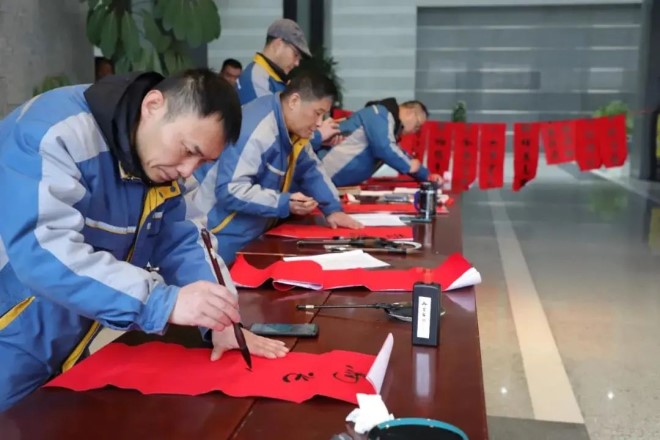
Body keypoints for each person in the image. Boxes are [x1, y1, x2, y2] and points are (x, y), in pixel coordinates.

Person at [0, 69, 288, 412]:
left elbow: (184, 239)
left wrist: (220, 321)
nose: (188, 170)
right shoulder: (54, 132)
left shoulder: (158, 161)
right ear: (153, 105)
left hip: (70, 334)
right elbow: (43, 253)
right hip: (10, 333)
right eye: (188, 150)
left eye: (202, 161)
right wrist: (161, 302)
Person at [185, 72, 362, 266]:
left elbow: (311, 169)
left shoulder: (292, 129)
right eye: (317, 113)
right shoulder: (257, 130)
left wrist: (333, 209)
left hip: (250, 236)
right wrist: (284, 202)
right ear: (294, 101)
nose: (319, 123)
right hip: (217, 235)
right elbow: (231, 190)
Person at [316, 98, 443, 187]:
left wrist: (427, 176)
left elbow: (397, 152)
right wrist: (409, 165)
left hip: (328, 183)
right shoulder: (379, 113)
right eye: (417, 125)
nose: (415, 131)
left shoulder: (388, 128)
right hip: (318, 174)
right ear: (410, 112)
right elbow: (384, 148)